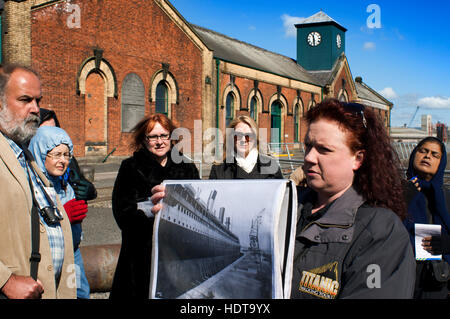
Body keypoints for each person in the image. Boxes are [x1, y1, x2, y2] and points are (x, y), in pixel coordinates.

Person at [291, 99, 416, 299]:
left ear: (357, 158)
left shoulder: (380, 232)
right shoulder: (284, 205)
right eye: (308, 146)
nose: (309, 157)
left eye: (324, 149)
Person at [0, 63, 75, 298]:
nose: (36, 109)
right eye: (25, 100)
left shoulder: (26, 156)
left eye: (38, 101)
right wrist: (5, 280)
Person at [110, 113, 200, 299]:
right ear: (144, 139)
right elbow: (122, 213)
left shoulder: (187, 168)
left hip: (178, 252)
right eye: (153, 137)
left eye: (164, 135)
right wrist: (150, 214)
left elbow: (198, 206)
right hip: (141, 254)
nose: (159, 142)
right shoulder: (131, 168)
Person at [29, 126, 91, 299]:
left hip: (72, 254)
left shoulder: (66, 184)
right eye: (56, 154)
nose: (63, 160)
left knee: (79, 293)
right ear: (41, 154)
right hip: (45, 260)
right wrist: (64, 217)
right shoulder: (32, 186)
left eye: (67, 155)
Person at [404, 137, 450, 298]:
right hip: (401, 277)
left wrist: (448, 244)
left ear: (441, 162)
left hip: (437, 283)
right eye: (423, 151)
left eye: (434, 154)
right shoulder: (396, 192)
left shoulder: (446, 197)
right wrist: (403, 200)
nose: (427, 156)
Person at [39, 108, 97, 202]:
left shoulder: (68, 158)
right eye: (46, 132)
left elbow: (78, 184)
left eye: (55, 130)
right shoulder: (26, 162)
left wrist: (90, 191)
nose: (52, 137)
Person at [209, 115, 283, 179]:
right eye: (238, 135)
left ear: (255, 138)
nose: (243, 140)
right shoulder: (218, 169)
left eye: (249, 136)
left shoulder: (271, 165)